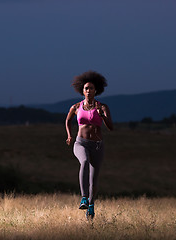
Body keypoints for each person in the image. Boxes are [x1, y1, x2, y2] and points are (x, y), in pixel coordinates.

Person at [65, 70, 114, 220]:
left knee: (94, 179)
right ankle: (84, 198)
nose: (88, 91)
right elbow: (67, 121)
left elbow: (111, 127)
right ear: (82, 90)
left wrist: (102, 116)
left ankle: (91, 206)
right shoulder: (76, 107)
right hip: (81, 143)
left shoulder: (103, 107)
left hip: (97, 145)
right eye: (86, 88)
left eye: (91, 88)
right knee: (84, 161)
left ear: (96, 90)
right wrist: (69, 135)